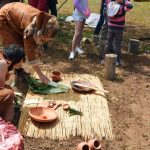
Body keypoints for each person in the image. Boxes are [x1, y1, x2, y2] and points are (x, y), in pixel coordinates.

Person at [0, 2, 58, 84]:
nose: (45, 41)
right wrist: (40, 74)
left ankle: (18, 69)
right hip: (5, 18)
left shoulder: (43, 21)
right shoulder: (31, 29)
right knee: (16, 51)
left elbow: (33, 46)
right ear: (41, 33)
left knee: (20, 50)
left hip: (14, 16)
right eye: (45, 39)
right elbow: (30, 50)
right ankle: (15, 72)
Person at [101, 0, 133, 65]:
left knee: (108, 43)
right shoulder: (122, 8)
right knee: (117, 44)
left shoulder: (110, 5)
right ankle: (117, 60)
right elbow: (130, 6)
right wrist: (124, 1)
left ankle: (103, 59)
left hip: (110, 26)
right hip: (119, 28)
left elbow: (107, 4)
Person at [0, 44, 25, 122]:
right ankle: (6, 122)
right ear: (16, 58)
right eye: (21, 59)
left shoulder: (3, 59)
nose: (22, 62)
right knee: (9, 94)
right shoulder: (3, 63)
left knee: (9, 90)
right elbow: (1, 86)